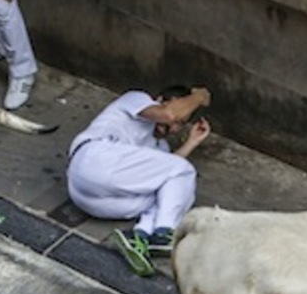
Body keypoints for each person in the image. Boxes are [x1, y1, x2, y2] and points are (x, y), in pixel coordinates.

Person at [67, 86, 212, 277]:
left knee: (167, 195)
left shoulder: (161, 146)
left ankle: (140, 236)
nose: (175, 127)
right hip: (93, 159)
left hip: (89, 200)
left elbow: (173, 175)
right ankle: (163, 235)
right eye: (179, 118)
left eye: (181, 124)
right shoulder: (137, 100)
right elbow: (168, 115)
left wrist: (191, 142)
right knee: (185, 171)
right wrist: (199, 97)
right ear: (159, 99)